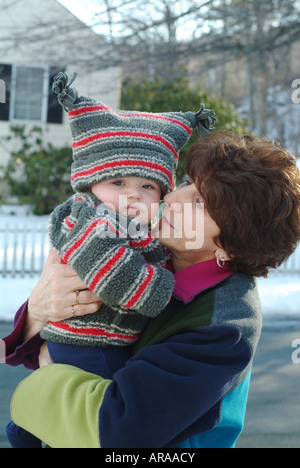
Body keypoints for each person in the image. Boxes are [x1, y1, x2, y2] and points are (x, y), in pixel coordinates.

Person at [3, 131, 300, 448]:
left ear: (234, 246)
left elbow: (120, 429)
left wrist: (39, 383)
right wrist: (38, 311)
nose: (171, 198)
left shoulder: (225, 327)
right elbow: (69, 333)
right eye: (186, 182)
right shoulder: (146, 251)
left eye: (199, 202)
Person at [5, 72, 215, 448]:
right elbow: (117, 275)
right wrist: (158, 288)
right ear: (90, 183)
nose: (132, 196)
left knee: (66, 415)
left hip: (91, 342)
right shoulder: (93, 221)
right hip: (91, 345)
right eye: (118, 183)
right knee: (93, 408)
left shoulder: (137, 228)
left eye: (146, 186)